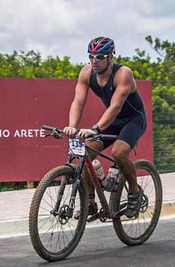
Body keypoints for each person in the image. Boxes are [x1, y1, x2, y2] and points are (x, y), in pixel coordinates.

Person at [63, 36, 147, 219]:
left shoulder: (123, 73)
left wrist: (96, 129)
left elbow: (116, 106)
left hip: (133, 119)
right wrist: (72, 126)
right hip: (113, 121)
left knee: (119, 152)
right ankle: (91, 203)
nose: (94, 61)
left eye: (100, 57)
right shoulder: (86, 73)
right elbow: (78, 102)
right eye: (91, 56)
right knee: (85, 153)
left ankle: (135, 192)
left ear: (111, 57)